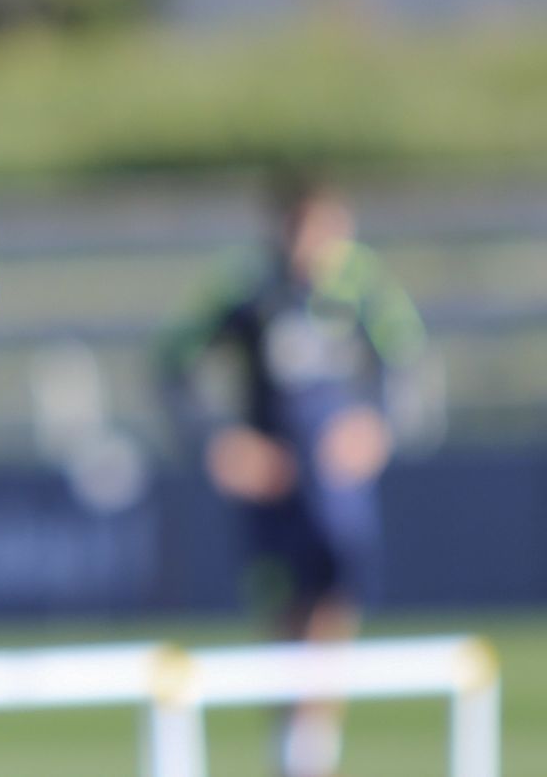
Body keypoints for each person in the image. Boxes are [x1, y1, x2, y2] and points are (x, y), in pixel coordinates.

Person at [157, 172, 427, 777]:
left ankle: (313, 750)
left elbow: (406, 363)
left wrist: (374, 427)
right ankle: (289, 746)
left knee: (335, 601)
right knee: (283, 610)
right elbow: (173, 365)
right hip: (273, 483)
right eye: (305, 229)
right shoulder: (248, 290)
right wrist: (219, 442)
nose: (316, 244)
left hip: (335, 486)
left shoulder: (363, 287)